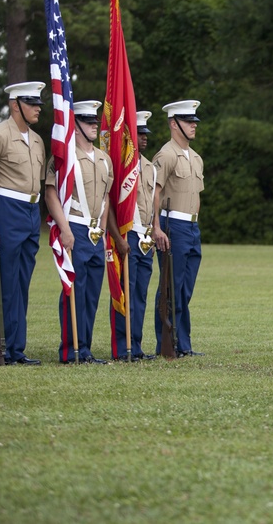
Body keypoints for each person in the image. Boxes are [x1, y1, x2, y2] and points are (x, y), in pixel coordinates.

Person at [0, 81, 46, 365]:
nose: (38, 108)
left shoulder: (37, 140)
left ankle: (16, 348)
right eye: (32, 103)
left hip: (29, 211)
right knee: (5, 283)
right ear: (16, 105)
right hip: (6, 208)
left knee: (22, 282)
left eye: (38, 103)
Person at [45, 100, 114, 364]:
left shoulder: (104, 159)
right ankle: (70, 350)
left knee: (92, 294)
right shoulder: (65, 156)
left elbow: (106, 199)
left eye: (95, 122)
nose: (94, 127)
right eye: (87, 122)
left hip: (96, 232)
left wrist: (104, 231)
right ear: (76, 125)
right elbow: (51, 192)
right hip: (73, 225)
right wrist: (64, 229)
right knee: (74, 290)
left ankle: (85, 348)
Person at [152, 100, 204, 358]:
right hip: (173, 225)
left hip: (192, 226)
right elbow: (154, 192)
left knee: (185, 288)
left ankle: (183, 344)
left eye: (194, 121)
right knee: (171, 287)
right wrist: (156, 227)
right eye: (188, 121)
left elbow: (198, 195)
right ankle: (167, 343)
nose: (193, 126)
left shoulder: (195, 157)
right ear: (174, 124)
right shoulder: (167, 155)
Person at [107, 110, 157, 360]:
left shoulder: (149, 167)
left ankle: (136, 345)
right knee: (125, 293)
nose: (144, 138)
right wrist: (118, 238)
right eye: (139, 133)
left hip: (145, 239)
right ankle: (121, 346)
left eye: (145, 133)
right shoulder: (120, 167)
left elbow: (153, 204)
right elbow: (112, 206)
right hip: (128, 237)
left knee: (140, 295)